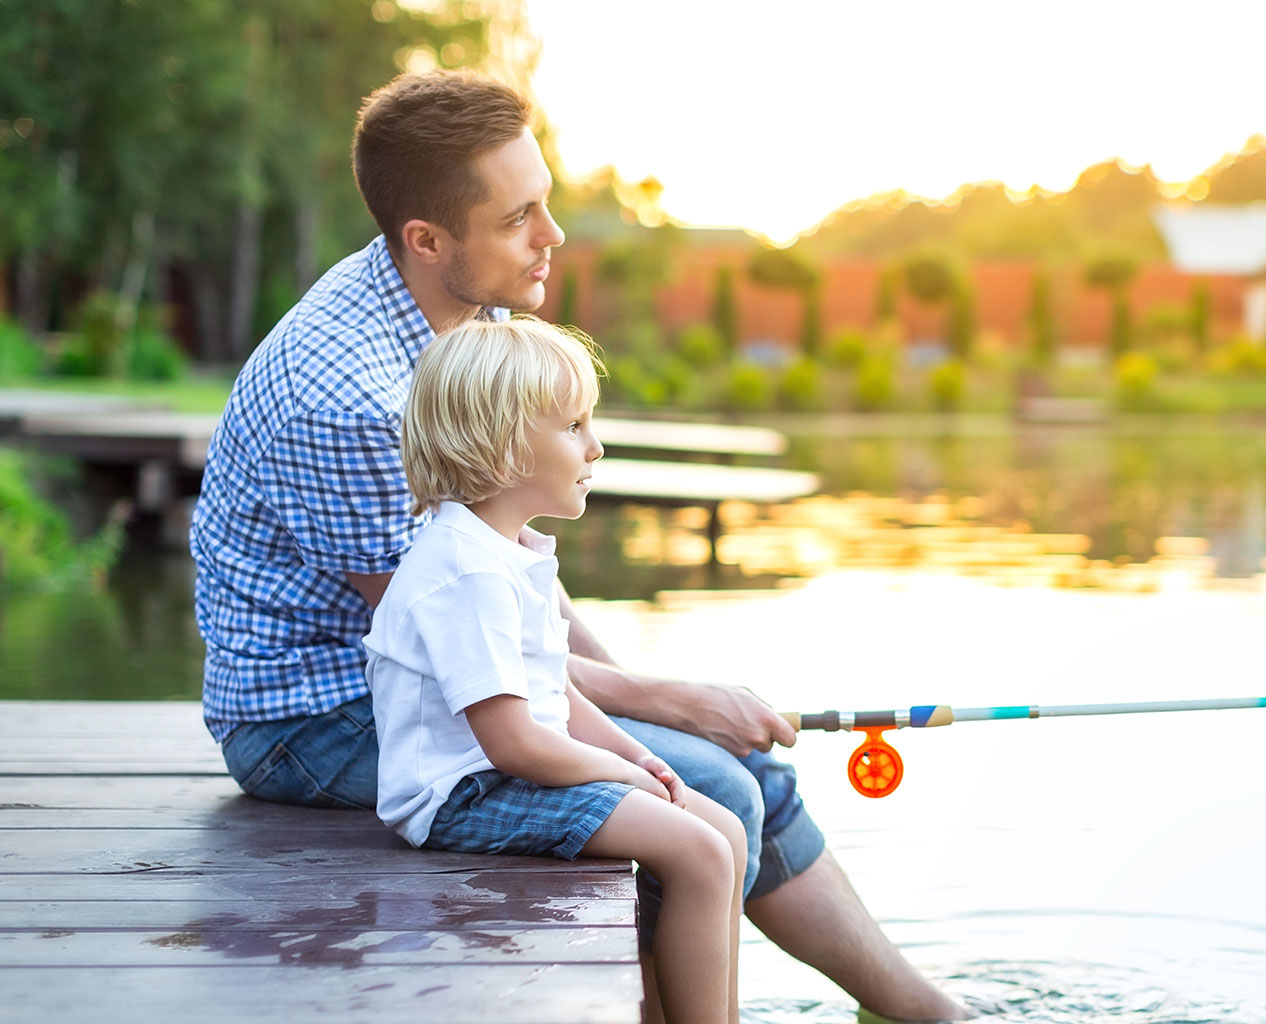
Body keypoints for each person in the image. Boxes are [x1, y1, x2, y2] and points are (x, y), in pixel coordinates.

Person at [188, 69, 967, 1022]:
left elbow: (512, 580)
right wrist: (664, 705)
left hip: (451, 674)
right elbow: (457, 640)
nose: (551, 235)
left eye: (545, 203)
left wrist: (650, 697)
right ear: (427, 239)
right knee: (709, 786)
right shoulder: (348, 401)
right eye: (519, 217)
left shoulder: (471, 307)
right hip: (316, 716)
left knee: (741, 771)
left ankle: (924, 1014)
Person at [369, 317, 745, 1023]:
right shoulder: (467, 571)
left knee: (723, 831)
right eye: (574, 426)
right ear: (504, 445)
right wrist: (624, 775)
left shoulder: (510, 550)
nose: (595, 446)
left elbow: (558, 694)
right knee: (699, 852)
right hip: (463, 795)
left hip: (510, 774)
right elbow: (513, 743)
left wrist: (639, 755)